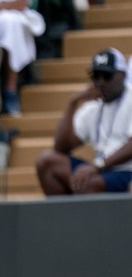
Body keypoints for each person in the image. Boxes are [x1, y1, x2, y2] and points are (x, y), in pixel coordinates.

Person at [36, 49, 132, 197]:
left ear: (123, 75)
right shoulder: (93, 105)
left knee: (87, 183)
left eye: (107, 76)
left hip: (125, 170)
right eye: (96, 76)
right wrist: (72, 103)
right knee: (46, 162)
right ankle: (62, 212)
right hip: (101, 169)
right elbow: (61, 147)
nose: (100, 82)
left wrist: (97, 166)